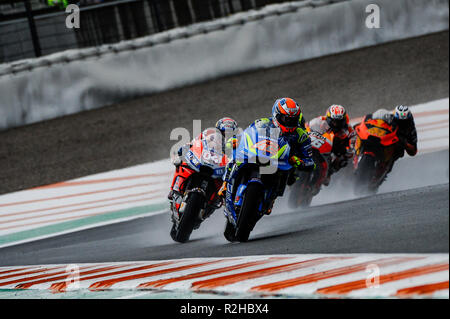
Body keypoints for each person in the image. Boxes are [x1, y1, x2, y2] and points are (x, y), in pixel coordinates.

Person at [218, 97, 316, 197]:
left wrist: (299, 162)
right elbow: (247, 134)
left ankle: (272, 196)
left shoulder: (302, 135)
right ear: (276, 115)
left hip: (282, 162)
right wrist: (237, 140)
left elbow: (310, 161)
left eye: (293, 120)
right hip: (260, 154)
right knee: (237, 155)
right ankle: (225, 184)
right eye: (286, 119)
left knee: (293, 177)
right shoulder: (263, 122)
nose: (289, 123)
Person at [168, 117, 238, 200]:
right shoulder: (209, 134)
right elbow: (195, 142)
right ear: (218, 130)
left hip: (219, 167)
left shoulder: (235, 143)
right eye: (224, 132)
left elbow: (235, 157)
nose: (226, 134)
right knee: (180, 161)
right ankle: (174, 189)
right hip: (203, 159)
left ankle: (217, 200)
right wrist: (187, 147)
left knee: (228, 184)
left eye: (229, 132)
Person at [307, 104, 355, 186]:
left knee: (344, 161)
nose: (335, 124)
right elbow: (306, 128)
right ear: (328, 119)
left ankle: (328, 173)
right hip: (317, 145)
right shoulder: (319, 121)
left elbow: (352, 147)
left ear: (343, 121)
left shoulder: (349, 130)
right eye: (333, 121)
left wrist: (346, 150)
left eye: (339, 122)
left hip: (333, 151)